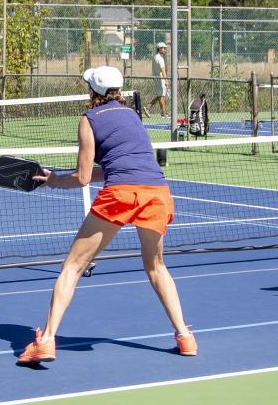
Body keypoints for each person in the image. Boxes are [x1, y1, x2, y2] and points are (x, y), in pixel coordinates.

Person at [17, 65, 196, 364]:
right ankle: (185, 337)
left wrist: (54, 180)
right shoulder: (133, 116)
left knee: (72, 267)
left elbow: (83, 177)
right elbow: (120, 167)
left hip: (122, 195)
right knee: (156, 266)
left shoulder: (88, 119)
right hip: (158, 193)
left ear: (93, 92)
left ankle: (46, 340)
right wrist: (59, 178)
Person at [148, 41, 169, 118]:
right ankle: (163, 113)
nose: (165, 50)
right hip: (160, 79)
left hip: (157, 78)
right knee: (161, 96)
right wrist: (166, 80)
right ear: (159, 49)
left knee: (160, 95)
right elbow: (162, 70)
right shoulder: (160, 58)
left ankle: (148, 107)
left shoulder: (155, 57)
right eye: (163, 48)